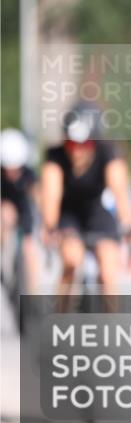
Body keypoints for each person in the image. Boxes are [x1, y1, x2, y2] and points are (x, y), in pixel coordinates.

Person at [39, 104, 131, 310]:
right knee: (71, 261)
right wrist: (50, 226)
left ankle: (112, 326)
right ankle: (60, 321)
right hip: (69, 214)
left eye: (85, 145)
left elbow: (118, 190)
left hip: (97, 212)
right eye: (72, 145)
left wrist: (127, 225)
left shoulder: (108, 152)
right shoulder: (55, 156)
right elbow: (51, 194)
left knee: (108, 268)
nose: (78, 151)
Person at [1, 128, 42, 299]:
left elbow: (39, 197)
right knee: (5, 214)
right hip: (5, 210)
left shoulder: (29, 174)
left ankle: (31, 297)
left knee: (29, 250)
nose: (12, 173)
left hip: (25, 213)